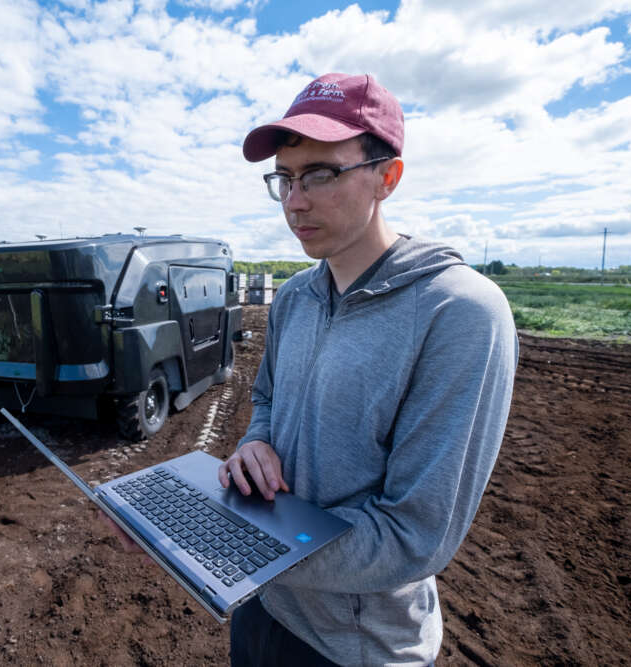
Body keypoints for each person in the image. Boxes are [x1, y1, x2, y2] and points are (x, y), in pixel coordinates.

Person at [217, 73, 518, 665]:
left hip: (357, 645)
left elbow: (414, 535)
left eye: (321, 174)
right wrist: (256, 444)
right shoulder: (298, 296)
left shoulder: (458, 312)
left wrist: (233, 542)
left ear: (388, 177)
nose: (294, 201)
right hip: (264, 608)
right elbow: (268, 401)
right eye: (284, 178)